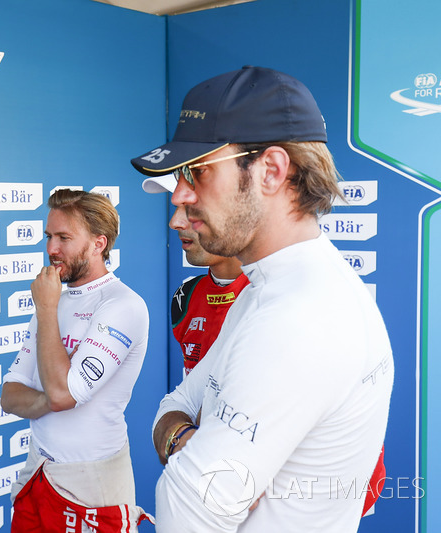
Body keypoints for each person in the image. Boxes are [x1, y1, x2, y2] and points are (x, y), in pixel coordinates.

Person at [130, 66, 393, 531]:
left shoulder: (303, 314)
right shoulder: (272, 291)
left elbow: (185, 505)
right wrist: (184, 438)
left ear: (271, 170)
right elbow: (175, 403)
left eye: (199, 171)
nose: (181, 197)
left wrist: (182, 442)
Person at [1, 188, 152, 532]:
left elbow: (61, 395)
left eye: (64, 237)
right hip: (38, 471)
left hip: (92, 483)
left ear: (99, 243)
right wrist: (50, 395)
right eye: (49, 236)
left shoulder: (122, 304)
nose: (51, 249)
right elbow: (10, 395)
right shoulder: (52, 301)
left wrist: (47, 310)